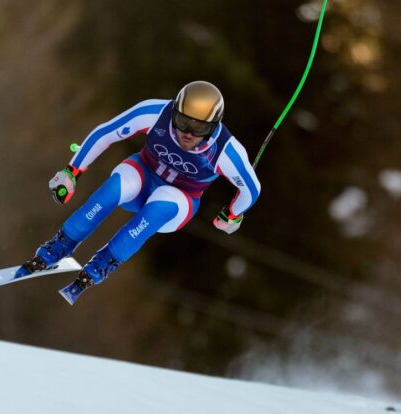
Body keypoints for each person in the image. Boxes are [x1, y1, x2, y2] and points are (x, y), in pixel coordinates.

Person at [16, 80, 262, 303]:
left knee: (156, 210)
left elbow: (251, 189)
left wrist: (233, 214)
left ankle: (100, 266)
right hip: (143, 175)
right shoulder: (155, 113)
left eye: (199, 128)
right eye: (183, 122)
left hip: (180, 198)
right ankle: (60, 245)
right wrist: (72, 171)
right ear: (174, 111)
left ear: (213, 126)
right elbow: (105, 133)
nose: (188, 133)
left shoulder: (226, 151)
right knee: (112, 190)